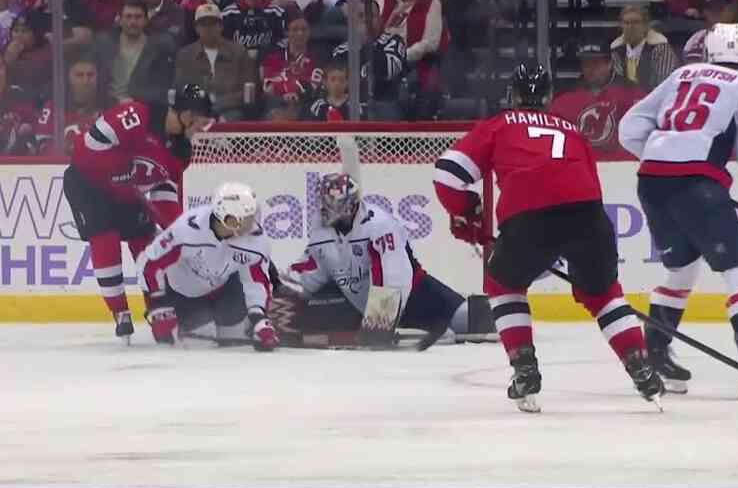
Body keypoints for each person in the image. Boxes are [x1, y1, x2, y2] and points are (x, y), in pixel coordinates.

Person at [432, 61, 664, 413]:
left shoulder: (499, 125)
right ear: (549, 96)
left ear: (512, 94)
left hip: (529, 217)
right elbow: (586, 186)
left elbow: (448, 174)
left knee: (504, 285)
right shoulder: (571, 129)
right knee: (603, 295)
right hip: (589, 214)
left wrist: (469, 213)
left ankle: (525, 370)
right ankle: (641, 366)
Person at [619, 23, 738, 399]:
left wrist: (666, 157)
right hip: (696, 187)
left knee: (681, 268)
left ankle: (654, 356)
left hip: (652, 181)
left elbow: (629, 127)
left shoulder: (683, 74)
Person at [65, 83, 213, 342]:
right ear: (187, 114)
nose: (203, 128)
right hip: (87, 183)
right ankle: (120, 311)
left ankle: (158, 306)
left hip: (125, 191)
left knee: (145, 242)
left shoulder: (180, 152)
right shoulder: (136, 115)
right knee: (105, 239)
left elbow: (165, 189)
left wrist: (177, 231)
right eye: (201, 121)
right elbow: (84, 148)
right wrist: (116, 167)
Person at [284, 172, 489, 345]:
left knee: (466, 318)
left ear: (349, 207)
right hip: (359, 303)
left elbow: (394, 276)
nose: (323, 209)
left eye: (330, 205)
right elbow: (311, 267)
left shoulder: (379, 225)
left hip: (413, 296)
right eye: (323, 203)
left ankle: (510, 311)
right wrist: (280, 299)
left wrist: (379, 321)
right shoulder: (321, 226)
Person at [138, 181, 279, 349]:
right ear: (229, 219)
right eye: (247, 219)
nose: (253, 225)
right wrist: (158, 306)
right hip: (183, 295)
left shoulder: (256, 241)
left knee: (233, 340)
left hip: (226, 289)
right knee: (199, 344)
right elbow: (149, 263)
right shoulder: (187, 231)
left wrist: (258, 319)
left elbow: (255, 281)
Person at [547, 40, 646, 158]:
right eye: (586, 63)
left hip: (623, 167)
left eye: (596, 63)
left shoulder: (632, 94)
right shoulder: (566, 98)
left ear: (609, 64)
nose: (591, 69)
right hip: (581, 166)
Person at [175, 0, 253, 121]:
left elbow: (248, 89)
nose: (208, 28)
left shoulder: (239, 52)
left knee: (233, 118)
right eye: (203, 24)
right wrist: (203, 100)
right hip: (197, 110)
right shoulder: (185, 54)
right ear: (196, 28)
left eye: (212, 23)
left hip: (231, 110)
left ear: (221, 26)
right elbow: (181, 87)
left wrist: (220, 102)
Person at [95, 0, 176, 107]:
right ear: (120, 20)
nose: (133, 22)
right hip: (109, 106)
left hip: (144, 107)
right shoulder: (104, 43)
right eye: (128, 17)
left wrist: (135, 101)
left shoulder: (160, 48)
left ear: (146, 20)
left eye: (138, 17)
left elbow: (161, 88)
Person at [36, 54, 107, 155]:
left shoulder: (109, 109)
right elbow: (41, 146)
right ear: (69, 78)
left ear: (97, 78)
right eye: (79, 75)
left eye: (90, 75)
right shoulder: (53, 108)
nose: (85, 81)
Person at [682, 0, 738, 78]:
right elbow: (690, 72)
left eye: (721, 9)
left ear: (731, 12)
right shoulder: (696, 38)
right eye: (712, 9)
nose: (716, 13)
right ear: (705, 12)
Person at [221, 0, 288, 58]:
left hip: (268, 63)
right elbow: (222, 45)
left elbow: (284, 42)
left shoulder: (277, 12)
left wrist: (264, 53)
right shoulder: (228, 14)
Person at [609, 5, 679, 92]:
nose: (631, 27)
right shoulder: (616, 50)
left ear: (646, 26)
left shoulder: (661, 49)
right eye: (627, 23)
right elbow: (617, 83)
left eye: (636, 22)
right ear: (621, 26)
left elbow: (664, 84)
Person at [261, 13, 321, 113]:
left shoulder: (317, 58)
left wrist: (290, 89)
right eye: (295, 29)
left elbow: (315, 86)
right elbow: (268, 87)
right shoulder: (273, 58)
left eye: (304, 29)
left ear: (310, 32)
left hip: (306, 104)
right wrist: (287, 93)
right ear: (287, 33)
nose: (300, 33)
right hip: (278, 104)